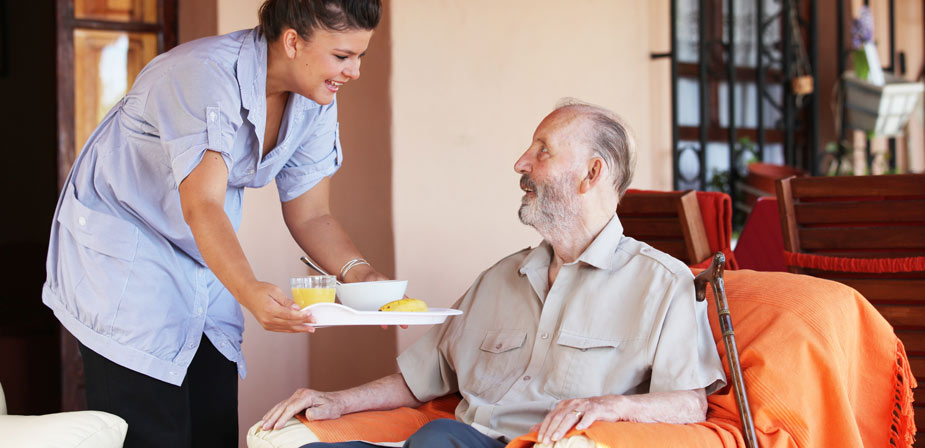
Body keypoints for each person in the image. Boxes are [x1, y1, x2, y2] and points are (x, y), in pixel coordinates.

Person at [259, 100, 727, 447]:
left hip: (539, 443)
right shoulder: (499, 278)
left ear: (591, 174)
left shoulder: (663, 284)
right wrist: (338, 401)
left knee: (437, 439)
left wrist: (612, 407)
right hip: (465, 440)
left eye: (542, 151)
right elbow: (423, 376)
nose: (520, 163)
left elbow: (689, 402)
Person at [42, 1, 386, 446]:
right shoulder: (201, 75)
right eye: (342, 56)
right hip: (126, 259)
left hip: (201, 253)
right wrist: (249, 291)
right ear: (293, 41)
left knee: (213, 421)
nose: (354, 72)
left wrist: (362, 277)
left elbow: (311, 213)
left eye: (360, 56)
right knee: (149, 431)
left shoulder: (315, 97)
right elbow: (202, 204)